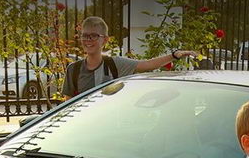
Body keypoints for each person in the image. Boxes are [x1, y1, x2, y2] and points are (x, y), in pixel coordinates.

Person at [62, 16, 197, 99]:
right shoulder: (73, 70)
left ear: (105, 40)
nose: (88, 40)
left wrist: (174, 55)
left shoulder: (115, 64)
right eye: (85, 36)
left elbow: (147, 65)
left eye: (94, 36)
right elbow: (68, 106)